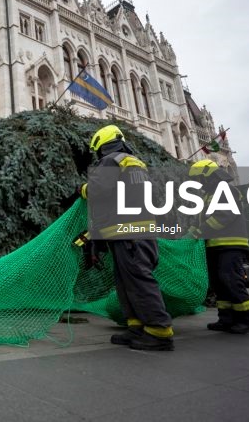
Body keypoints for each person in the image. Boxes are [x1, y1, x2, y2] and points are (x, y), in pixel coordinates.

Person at [78, 124, 174, 351]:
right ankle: (136, 327)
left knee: (138, 280)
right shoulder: (135, 163)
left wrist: (83, 189)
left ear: (101, 145)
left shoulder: (111, 160)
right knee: (127, 281)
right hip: (135, 231)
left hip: (130, 233)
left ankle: (159, 331)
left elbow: (99, 190)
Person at [187, 159, 249, 334]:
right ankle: (226, 319)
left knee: (231, 280)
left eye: (199, 179)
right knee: (219, 283)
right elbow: (202, 219)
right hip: (215, 245)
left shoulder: (227, 190)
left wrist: (200, 232)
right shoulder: (208, 195)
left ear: (208, 176)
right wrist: (190, 233)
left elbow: (223, 216)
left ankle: (247, 320)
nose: (198, 183)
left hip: (231, 244)